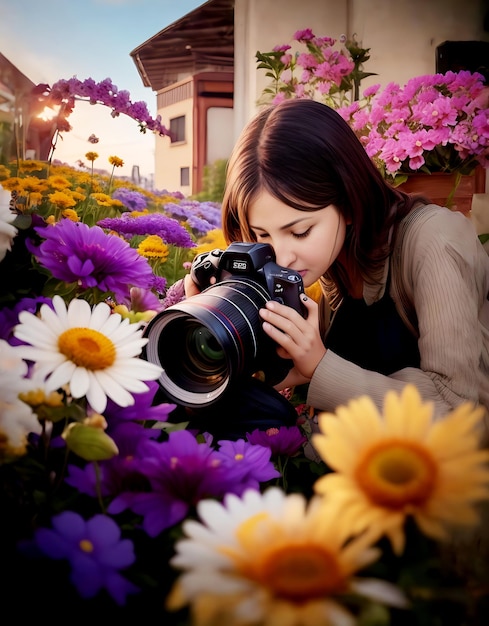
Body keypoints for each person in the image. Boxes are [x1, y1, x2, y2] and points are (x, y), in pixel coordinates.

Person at [184, 98, 489, 438]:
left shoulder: (434, 240)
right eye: (262, 234)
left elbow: (460, 412)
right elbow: (313, 376)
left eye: (300, 231)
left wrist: (319, 366)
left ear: (348, 203)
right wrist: (210, 321)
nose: (281, 257)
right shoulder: (335, 257)